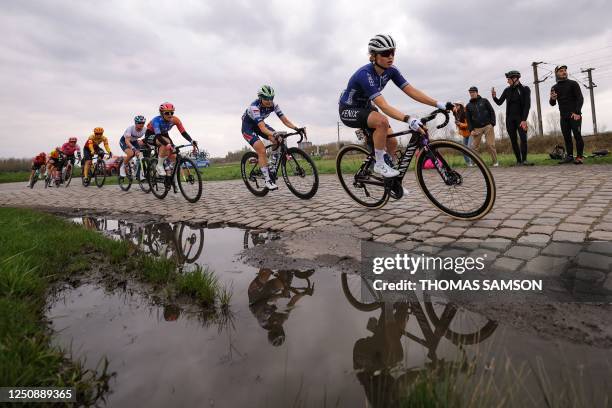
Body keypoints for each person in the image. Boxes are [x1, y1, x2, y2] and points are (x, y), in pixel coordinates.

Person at [338, 34, 454, 178]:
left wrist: (438, 103)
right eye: (386, 53)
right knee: (382, 121)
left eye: (393, 52)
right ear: (373, 56)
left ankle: (390, 177)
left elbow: (411, 91)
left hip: (366, 107)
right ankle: (379, 165)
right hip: (349, 109)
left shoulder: (391, 71)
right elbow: (384, 106)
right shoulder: (365, 74)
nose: (390, 57)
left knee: (392, 141)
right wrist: (408, 119)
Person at [241, 85, 304, 190]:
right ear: (260, 97)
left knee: (277, 140)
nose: (269, 101)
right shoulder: (254, 107)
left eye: (271, 98)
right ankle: (267, 180)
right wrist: (274, 133)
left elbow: (285, 120)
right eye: (266, 98)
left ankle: (270, 164)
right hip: (248, 128)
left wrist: (296, 128)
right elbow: (261, 128)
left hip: (259, 124)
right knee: (261, 149)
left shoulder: (274, 105)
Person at [145, 102, 198, 177]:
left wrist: (191, 141)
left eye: (171, 113)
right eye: (167, 113)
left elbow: (183, 132)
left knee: (174, 154)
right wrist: (167, 144)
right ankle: (159, 165)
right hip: (152, 135)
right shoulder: (156, 120)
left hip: (164, 134)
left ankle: (171, 178)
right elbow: (159, 136)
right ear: (162, 113)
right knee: (166, 143)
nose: (170, 115)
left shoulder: (175, 120)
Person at [492, 70, 532, 165]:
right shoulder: (507, 90)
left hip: (521, 119)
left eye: (509, 79)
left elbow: (527, 105)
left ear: (515, 79)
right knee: (513, 140)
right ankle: (518, 161)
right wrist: (494, 97)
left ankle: (524, 160)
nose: (507, 81)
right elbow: (499, 102)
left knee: (523, 139)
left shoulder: (525, 89)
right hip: (509, 119)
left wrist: (524, 120)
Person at [550, 65, 585, 164]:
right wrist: (553, 98)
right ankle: (569, 156)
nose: (564, 72)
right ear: (557, 73)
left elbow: (580, 99)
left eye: (565, 70)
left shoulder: (573, 84)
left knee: (577, 136)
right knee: (567, 137)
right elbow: (552, 103)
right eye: (561, 71)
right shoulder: (554, 87)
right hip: (563, 116)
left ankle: (579, 157)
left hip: (574, 115)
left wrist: (577, 112)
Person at [465, 86, 499, 167]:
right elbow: (468, 120)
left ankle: (495, 162)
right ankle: (475, 162)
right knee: (474, 147)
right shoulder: (468, 106)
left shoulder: (484, 101)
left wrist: (492, 124)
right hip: (477, 128)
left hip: (488, 126)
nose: (472, 94)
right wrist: (471, 130)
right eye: (470, 93)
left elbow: (492, 111)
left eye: (473, 92)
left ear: (477, 92)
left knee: (490, 145)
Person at [119, 115, 147, 179]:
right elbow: (127, 141)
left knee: (140, 156)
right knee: (131, 153)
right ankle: (122, 167)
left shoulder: (145, 129)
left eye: (143, 123)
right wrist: (133, 148)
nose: (141, 124)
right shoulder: (130, 129)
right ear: (135, 123)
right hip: (125, 141)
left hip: (134, 141)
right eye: (139, 123)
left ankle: (140, 173)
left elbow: (147, 138)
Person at [452, 102, 472, 166]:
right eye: (455, 105)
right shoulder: (457, 114)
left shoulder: (466, 113)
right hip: (464, 134)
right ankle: (468, 163)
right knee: (463, 149)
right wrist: (458, 124)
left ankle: (473, 163)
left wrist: (460, 124)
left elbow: (468, 124)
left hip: (470, 133)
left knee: (469, 148)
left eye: (457, 105)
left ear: (461, 106)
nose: (456, 106)